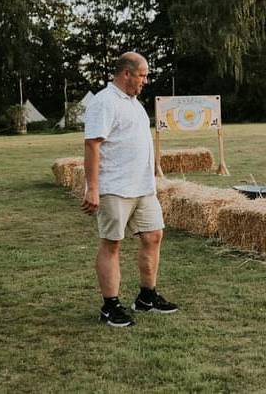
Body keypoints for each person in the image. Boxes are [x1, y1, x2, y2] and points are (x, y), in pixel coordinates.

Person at [81, 52, 177, 327]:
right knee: (112, 244)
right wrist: (93, 188)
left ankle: (147, 297)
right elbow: (92, 145)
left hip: (142, 188)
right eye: (143, 75)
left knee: (153, 236)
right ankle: (110, 307)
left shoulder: (134, 103)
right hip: (115, 187)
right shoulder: (104, 102)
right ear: (126, 73)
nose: (145, 81)